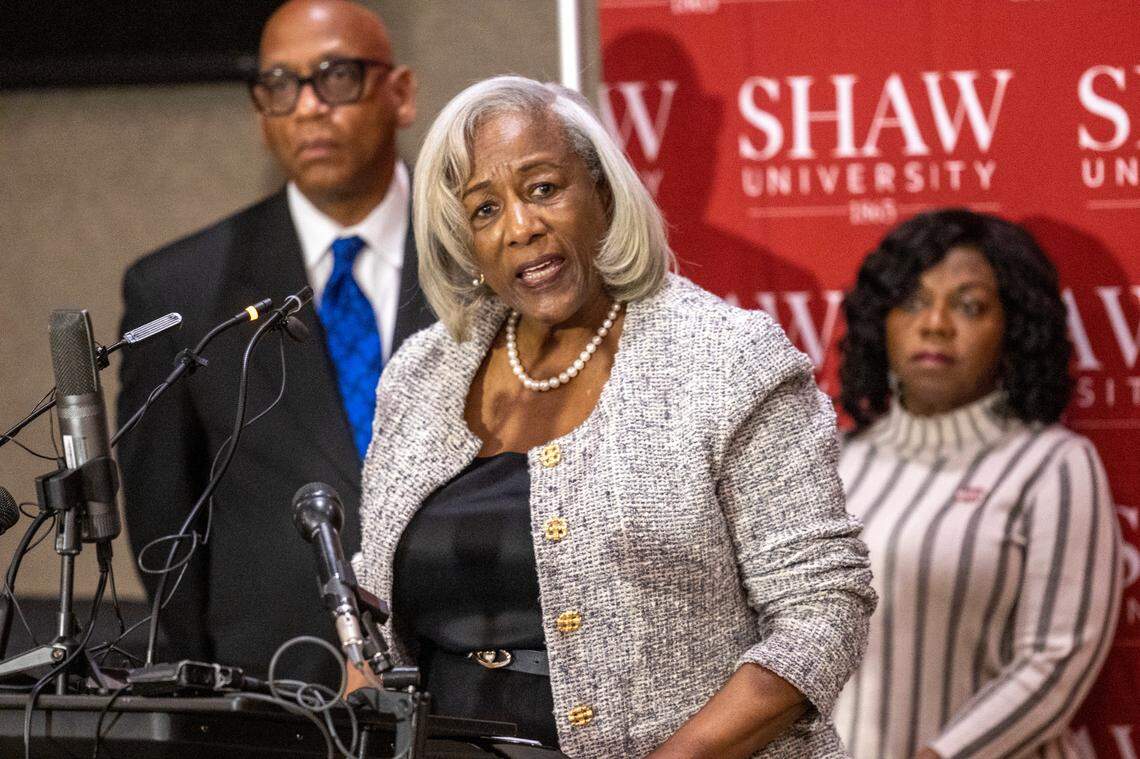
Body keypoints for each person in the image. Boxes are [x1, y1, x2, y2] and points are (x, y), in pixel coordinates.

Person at [350, 75, 876, 757]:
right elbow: (369, 620)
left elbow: (823, 611)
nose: (520, 226)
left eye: (543, 188)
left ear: (601, 190)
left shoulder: (725, 358)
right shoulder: (422, 374)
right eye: (483, 210)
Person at [116, 0, 432, 683]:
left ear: (400, 94)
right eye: (281, 85)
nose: (309, 106)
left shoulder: (485, 260)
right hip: (277, 691)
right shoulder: (180, 292)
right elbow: (164, 521)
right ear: (263, 114)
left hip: (469, 684)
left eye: (337, 76)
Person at [832, 209, 1122, 759]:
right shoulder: (831, 461)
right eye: (913, 300)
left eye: (969, 306)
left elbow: (1056, 662)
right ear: (881, 322)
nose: (935, 322)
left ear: (1014, 329)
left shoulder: (1051, 463)